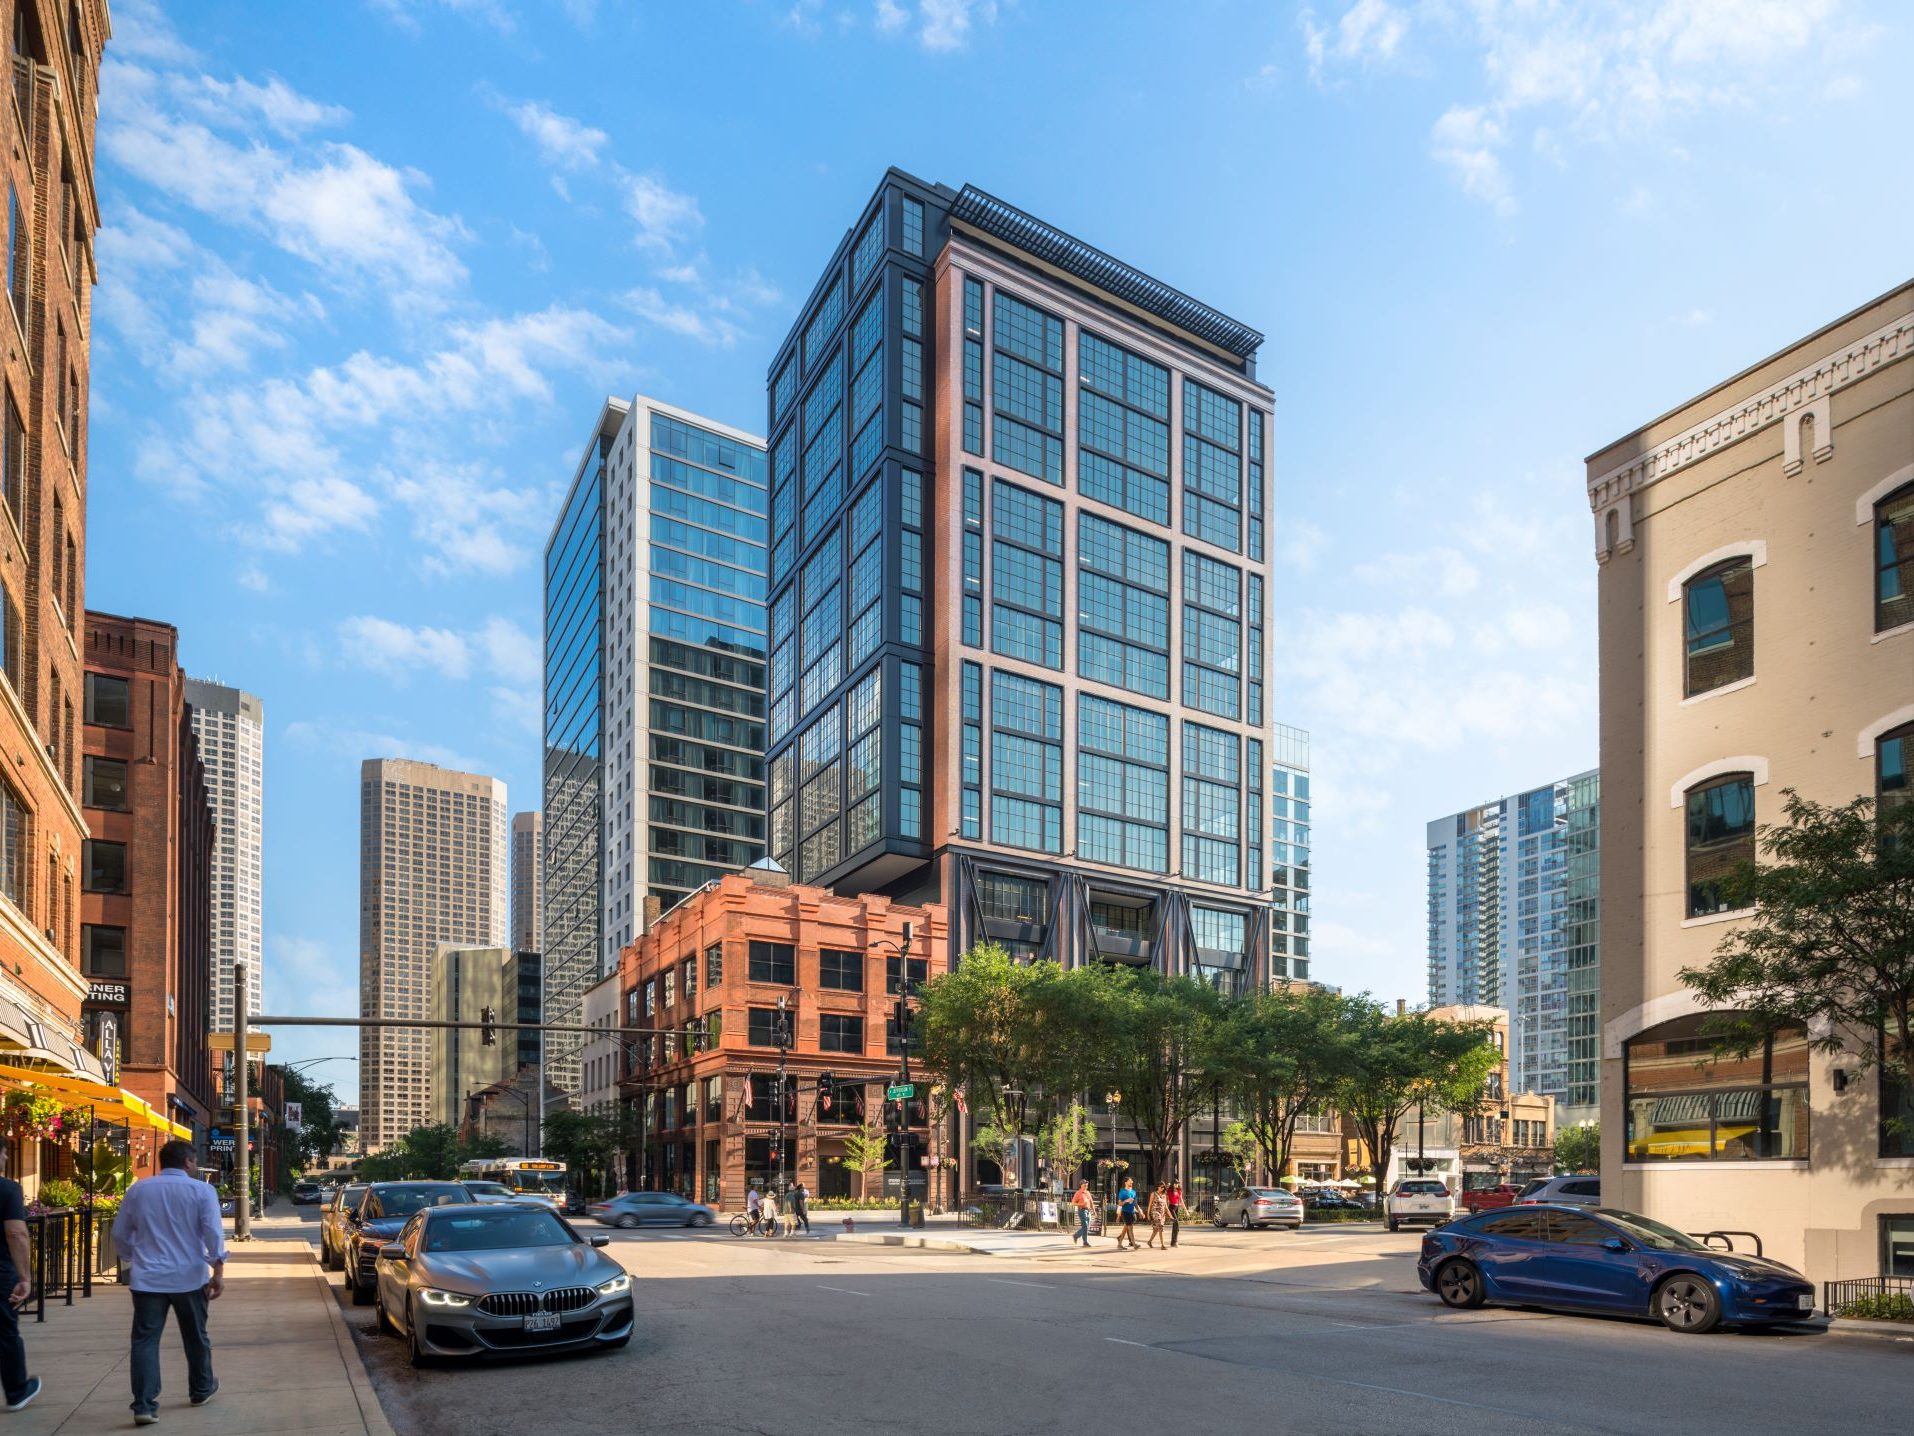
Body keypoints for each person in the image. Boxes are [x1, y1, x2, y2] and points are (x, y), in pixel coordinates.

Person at [113, 1139, 226, 1425]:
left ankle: (144, 1405)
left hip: (148, 1278)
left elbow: (120, 1233)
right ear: (187, 1162)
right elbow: (213, 1233)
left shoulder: (138, 1189)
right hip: (189, 1277)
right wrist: (218, 1271)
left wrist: (132, 1258)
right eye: (195, 1161)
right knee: (196, 1336)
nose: (196, 1166)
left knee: (145, 1341)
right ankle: (200, 1389)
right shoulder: (202, 1191)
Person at [0, 1145, 39, 1413]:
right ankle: (16, 1391)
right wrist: (25, 1277)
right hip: (1, 1273)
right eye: (3, 1152)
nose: (6, 1157)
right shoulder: (8, 1189)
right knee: (5, 1333)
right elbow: (16, 1234)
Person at [1115, 1179, 1140, 1250]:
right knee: (1130, 1228)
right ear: (1126, 1182)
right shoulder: (1122, 1192)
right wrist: (1126, 1201)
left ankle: (1119, 1243)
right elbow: (1120, 1204)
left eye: (1132, 1181)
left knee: (1126, 1228)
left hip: (1132, 1212)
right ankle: (1134, 1244)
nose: (1132, 1182)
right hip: (1125, 1212)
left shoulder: (1133, 1192)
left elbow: (1135, 1203)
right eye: (1130, 1181)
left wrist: (1140, 1211)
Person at [1070, 1181, 1094, 1246]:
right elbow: (1073, 1203)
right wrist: (1081, 1204)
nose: (1086, 1187)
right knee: (1085, 1226)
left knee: (1087, 1227)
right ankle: (1085, 1242)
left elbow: (1091, 1202)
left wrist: (1094, 1211)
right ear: (1081, 1185)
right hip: (1082, 1211)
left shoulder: (1088, 1192)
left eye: (1087, 1185)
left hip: (1088, 1211)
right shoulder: (1078, 1193)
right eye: (1085, 1185)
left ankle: (1076, 1235)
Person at [1145, 1184, 1169, 1249]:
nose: (1162, 1188)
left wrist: (1170, 1215)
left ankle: (1149, 1241)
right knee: (1160, 1227)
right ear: (1157, 1187)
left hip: (1162, 1214)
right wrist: (1148, 1214)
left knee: (1156, 1230)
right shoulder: (1153, 1194)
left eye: (1163, 1187)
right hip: (1155, 1212)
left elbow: (1166, 1206)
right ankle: (1162, 1245)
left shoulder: (1164, 1195)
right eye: (1161, 1187)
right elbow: (1150, 1204)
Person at [1167, 1180, 1183, 1247]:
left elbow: (1181, 1200)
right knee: (1176, 1224)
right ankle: (1175, 1242)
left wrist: (1186, 1210)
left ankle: (1173, 1242)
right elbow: (1167, 1200)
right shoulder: (1169, 1191)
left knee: (1175, 1226)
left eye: (1178, 1184)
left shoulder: (1179, 1191)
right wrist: (1166, 1211)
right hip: (1171, 1207)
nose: (1177, 1185)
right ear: (1173, 1184)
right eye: (1175, 1183)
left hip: (1177, 1207)